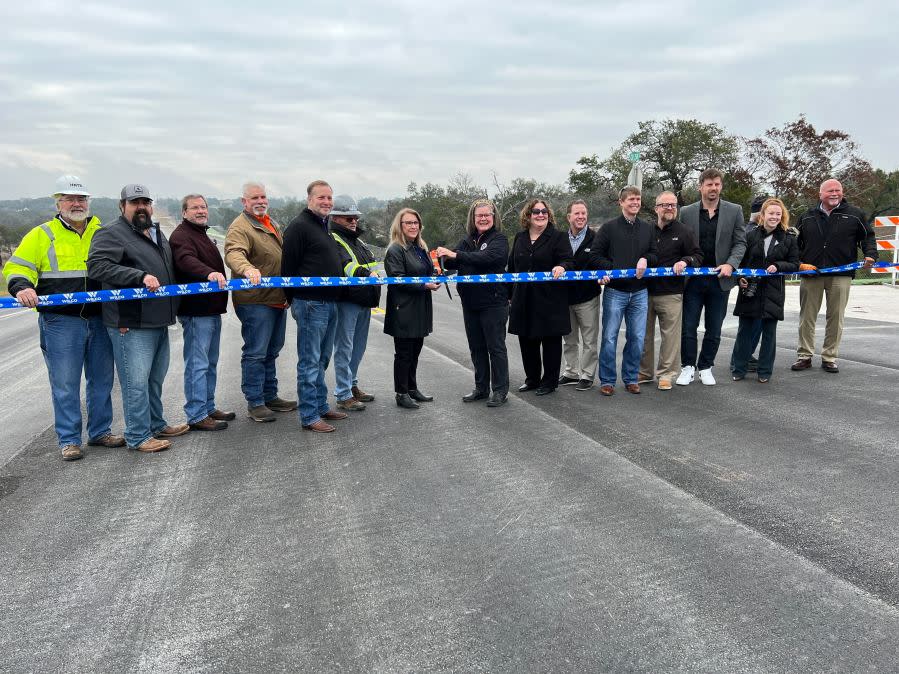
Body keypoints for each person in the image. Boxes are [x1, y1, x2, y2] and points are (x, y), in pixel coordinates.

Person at [3, 175, 122, 461]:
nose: (76, 204)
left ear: (88, 202)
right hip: (60, 321)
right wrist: (22, 286)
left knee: (102, 379)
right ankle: (69, 440)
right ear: (59, 202)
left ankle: (100, 431)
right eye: (70, 199)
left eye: (81, 199)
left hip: (98, 318)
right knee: (65, 383)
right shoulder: (41, 235)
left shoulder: (102, 233)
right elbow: (17, 267)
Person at [87, 184, 188, 453]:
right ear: (122, 206)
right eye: (135, 202)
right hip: (130, 322)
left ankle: (156, 424)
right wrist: (139, 276)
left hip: (158, 320)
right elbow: (97, 266)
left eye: (145, 202)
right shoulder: (110, 233)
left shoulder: (155, 232)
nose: (141, 207)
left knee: (154, 380)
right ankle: (138, 435)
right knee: (136, 383)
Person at [224, 181, 296, 422]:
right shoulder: (240, 227)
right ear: (244, 201)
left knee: (272, 351)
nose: (260, 201)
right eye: (254, 198)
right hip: (256, 301)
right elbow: (234, 252)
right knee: (256, 352)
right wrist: (247, 269)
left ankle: (270, 395)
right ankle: (255, 402)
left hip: (276, 298)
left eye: (263, 197)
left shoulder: (270, 222)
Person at [281, 180, 348, 433]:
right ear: (310, 199)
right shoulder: (299, 227)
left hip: (329, 302)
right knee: (310, 362)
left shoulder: (324, 226)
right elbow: (287, 269)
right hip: (310, 303)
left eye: (330, 198)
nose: (327, 202)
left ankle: (321, 405)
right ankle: (309, 415)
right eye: (322, 197)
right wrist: (293, 298)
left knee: (322, 359)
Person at [792, 179, 876, 374]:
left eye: (838, 190)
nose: (834, 193)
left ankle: (829, 357)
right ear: (820, 194)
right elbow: (794, 242)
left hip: (841, 274)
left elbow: (868, 237)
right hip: (811, 273)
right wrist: (797, 263)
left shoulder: (855, 215)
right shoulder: (807, 216)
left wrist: (871, 254)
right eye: (830, 190)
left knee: (836, 317)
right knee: (807, 317)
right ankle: (804, 356)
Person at [169, 194, 234, 432]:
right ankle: (196, 414)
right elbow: (186, 261)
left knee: (210, 362)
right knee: (198, 364)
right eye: (195, 208)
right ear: (184, 212)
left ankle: (208, 406)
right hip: (196, 312)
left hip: (211, 310)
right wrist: (209, 273)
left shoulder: (201, 233)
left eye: (203, 207)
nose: (201, 211)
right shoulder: (181, 236)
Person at [436, 198, 510, 407]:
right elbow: (453, 260)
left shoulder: (499, 239)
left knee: (495, 347)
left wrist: (456, 255)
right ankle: (481, 388)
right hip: (470, 303)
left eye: (487, 215)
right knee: (476, 347)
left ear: (493, 217)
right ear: (473, 218)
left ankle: (500, 390)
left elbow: (489, 258)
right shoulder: (467, 240)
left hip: (494, 302)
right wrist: (443, 257)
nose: (483, 218)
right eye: (479, 216)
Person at [676, 168, 747, 386]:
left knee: (714, 327)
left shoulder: (734, 211)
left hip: (720, 279)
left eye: (717, 184)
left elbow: (740, 242)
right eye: (709, 184)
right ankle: (687, 367)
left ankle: (706, 366)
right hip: (692, 280)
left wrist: (731, 264)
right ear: (700, 187)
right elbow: (680, 243)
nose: (713, 188)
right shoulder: (686, 212)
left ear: (721, 186)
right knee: (688, 327)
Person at [590, 186, 658, 395]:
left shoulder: (648, 228)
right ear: (621, 202)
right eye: (630, 199)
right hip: (615, 292)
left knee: (637, 338)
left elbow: (655, 254)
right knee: (609, 337)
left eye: (638, 199)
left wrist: (646, 259)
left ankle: (630, 377)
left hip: (640, 292)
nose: (635, 202)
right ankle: (608, 381)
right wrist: (610, 269)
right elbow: (595, 255)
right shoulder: (608, 228)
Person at [507, 199, 573, 396]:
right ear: (528, 215)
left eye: (544, 211)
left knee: (551, 341)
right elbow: (512, 268)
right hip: (524, 298)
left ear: (549, 214)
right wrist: (510, 294)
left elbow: (568, 260)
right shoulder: (520, 238)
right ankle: (532, 379)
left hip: (550, 299)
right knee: (527, 341)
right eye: (536, 211)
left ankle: (550, 382)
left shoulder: (559, 237)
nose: (540, 214)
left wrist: (562, 266)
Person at [638, 191, 702, 390]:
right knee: (643, 335)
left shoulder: (684, 231)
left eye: (673, 205)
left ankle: (666, 375)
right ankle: (644, 372)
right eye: (665, 205)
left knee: (670, 338)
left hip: (671, 293)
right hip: (644, 292)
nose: (670, 208)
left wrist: (685, 261)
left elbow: (698, 255)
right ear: (656, 208)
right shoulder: (646, 230)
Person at [731, 198, 800, 382]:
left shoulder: (789, 238)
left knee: (769, 334)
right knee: (744, 332)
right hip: (750, 291)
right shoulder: (750, 236)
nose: (774, 217)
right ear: (763, 215)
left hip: (773, 293)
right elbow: (740, 263)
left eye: (778, 214)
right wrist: (740, 279)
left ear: (782, 216)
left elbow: (794, 264)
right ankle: (739, 369)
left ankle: (764, 372)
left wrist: (778, 265)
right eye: (771, 213)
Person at [384, 208, 440, 409]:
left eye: (416, 223)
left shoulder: (420, 248)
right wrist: (424, 285)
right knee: (404, 353)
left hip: (421, 307)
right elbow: (397, 279)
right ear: (400, 226)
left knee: (415, 351)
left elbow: (427, 272)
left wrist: (434, 278)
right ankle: (401, 392)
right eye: (408, 223)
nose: (413, 226)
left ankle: (412, 388)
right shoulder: (395, 250)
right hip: (404, 308)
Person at [329, 194, 381, 412]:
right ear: (336, 218)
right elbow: (345, 265)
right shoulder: (333, 238)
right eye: (347, 217)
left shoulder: (357, 240)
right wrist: (366, 273)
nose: (353, 221)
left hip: (364, 299)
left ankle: (352, 384)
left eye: (355, 217)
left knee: (358, 347)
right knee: (344, 347)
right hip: (347, 300)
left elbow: (373, 264)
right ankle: (343, 393)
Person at [558, 199, 601, 391]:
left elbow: (602, 261)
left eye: (583, 213)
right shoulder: (560, 239)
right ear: (569, 217)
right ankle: (571, 372)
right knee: (569, 338)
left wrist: (603, 274)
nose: (581, 217)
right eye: (577, 213)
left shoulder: (596, 238)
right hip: (565, 297)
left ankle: (587, 374)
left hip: (587, 297)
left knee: (589, 340)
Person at [731, 194, 771, 375]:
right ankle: (741, 358)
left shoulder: (760, 231)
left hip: (762, 285)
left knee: (756, 324)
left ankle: (745, 356)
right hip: (751, 284)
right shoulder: (750, 232)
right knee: (750, 325)